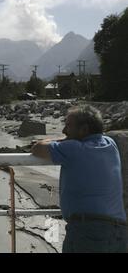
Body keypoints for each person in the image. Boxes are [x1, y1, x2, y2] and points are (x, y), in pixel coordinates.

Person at [32, 105, 127, 253]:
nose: (64, 131)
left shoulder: (74, 149)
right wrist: (70, 137)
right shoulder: (110, 144)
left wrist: (63, 140)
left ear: (84, 129)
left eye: (68, 126)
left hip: (88, 232)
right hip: (119, 232)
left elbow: (37, 148)